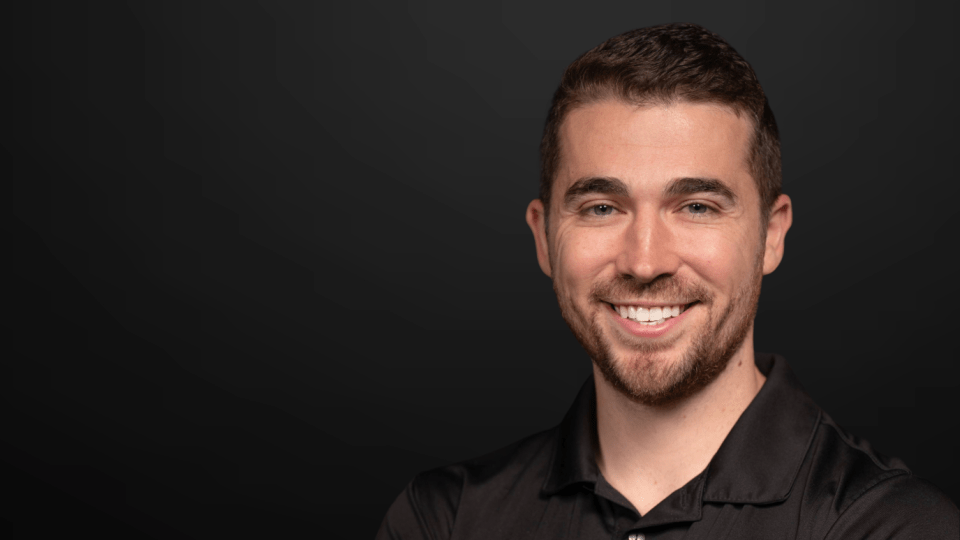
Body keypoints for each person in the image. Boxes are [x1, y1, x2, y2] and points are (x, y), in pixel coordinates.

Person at [377, 23, 959, 539]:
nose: (645, 261)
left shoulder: (889, 527)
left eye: (698, 207)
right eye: (602, 208)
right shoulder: (444, 520)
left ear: (771, 235)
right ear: (542, 237)